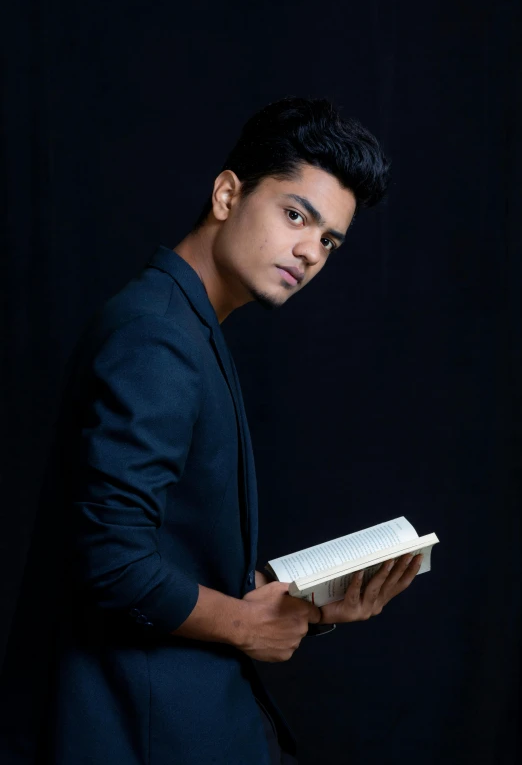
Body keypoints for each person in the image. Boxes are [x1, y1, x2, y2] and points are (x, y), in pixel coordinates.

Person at [0, 96, 422, 765]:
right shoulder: (156, 334)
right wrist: (247, 626)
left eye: (329, 240)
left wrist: (303, 607)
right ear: (228, 193)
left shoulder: (187, 325)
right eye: (295, 215)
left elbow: (166, 551)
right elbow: (109, 561)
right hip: (137, 725)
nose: (310, 250)